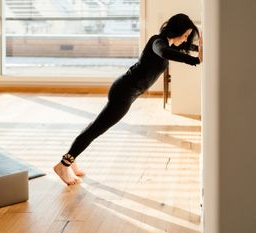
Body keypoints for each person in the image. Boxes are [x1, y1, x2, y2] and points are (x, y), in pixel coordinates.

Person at [54, 13, 203, 185]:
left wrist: (199, 49)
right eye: (184, 35)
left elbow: (182, 49)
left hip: (126, 91)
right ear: (176, 31)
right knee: (96, 129)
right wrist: (195, 61)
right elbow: (164, 52)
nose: (185, 40)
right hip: (123, 92)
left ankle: (71, 158)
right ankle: (63, 164)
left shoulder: (169, 43)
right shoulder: (158, 42)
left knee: (95, 126)